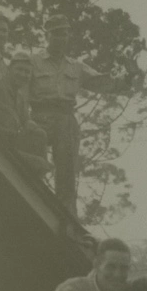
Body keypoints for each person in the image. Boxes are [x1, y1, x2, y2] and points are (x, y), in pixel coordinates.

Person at [30, 15, 118, 210]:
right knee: (34, 166)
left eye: (65, 34)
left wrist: (120, 80)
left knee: (67, 171)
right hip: (39, 116)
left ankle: (67, 216)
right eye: (56, 34)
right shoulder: (34, 61)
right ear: (48, 36)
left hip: (65, 117)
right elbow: (19, 89)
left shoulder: (76, 66)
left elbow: (101, 82)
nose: (61, 38)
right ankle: (31, 205)